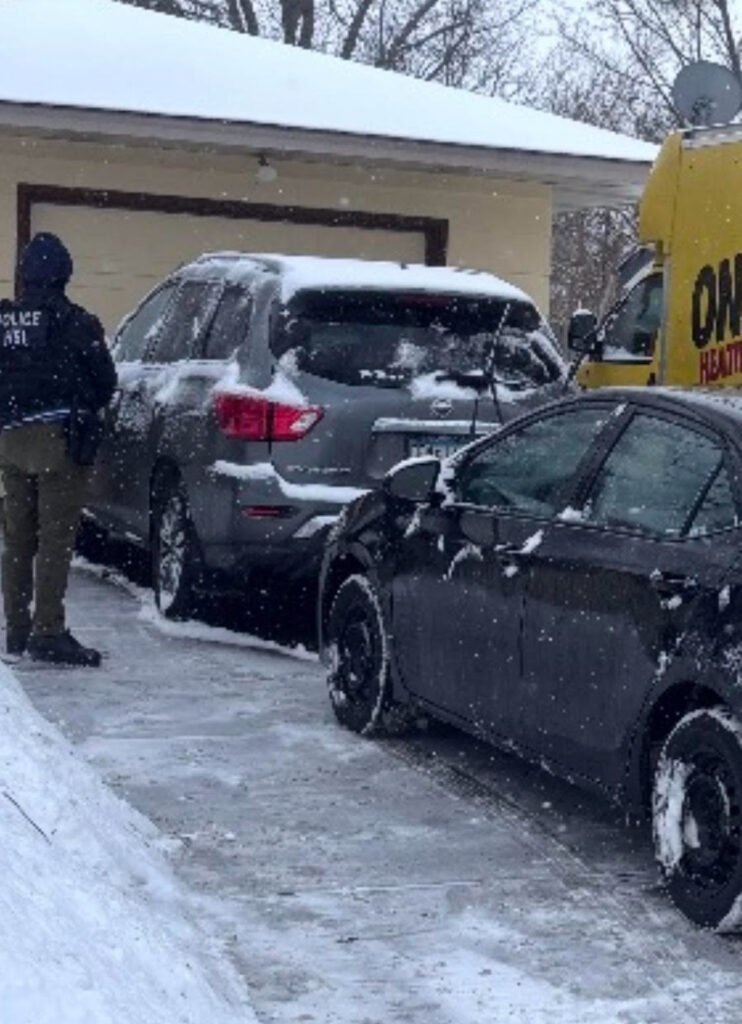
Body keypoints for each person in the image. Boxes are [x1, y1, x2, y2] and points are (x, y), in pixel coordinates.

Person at [0, 232, 116, 666]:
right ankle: (47, 629)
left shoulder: (4, 320)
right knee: (54, 539)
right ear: (64, 274)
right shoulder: (77, 322)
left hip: (9, 440)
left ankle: (15, 628)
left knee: (16, 537)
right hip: (58, 441)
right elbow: (105, 383)